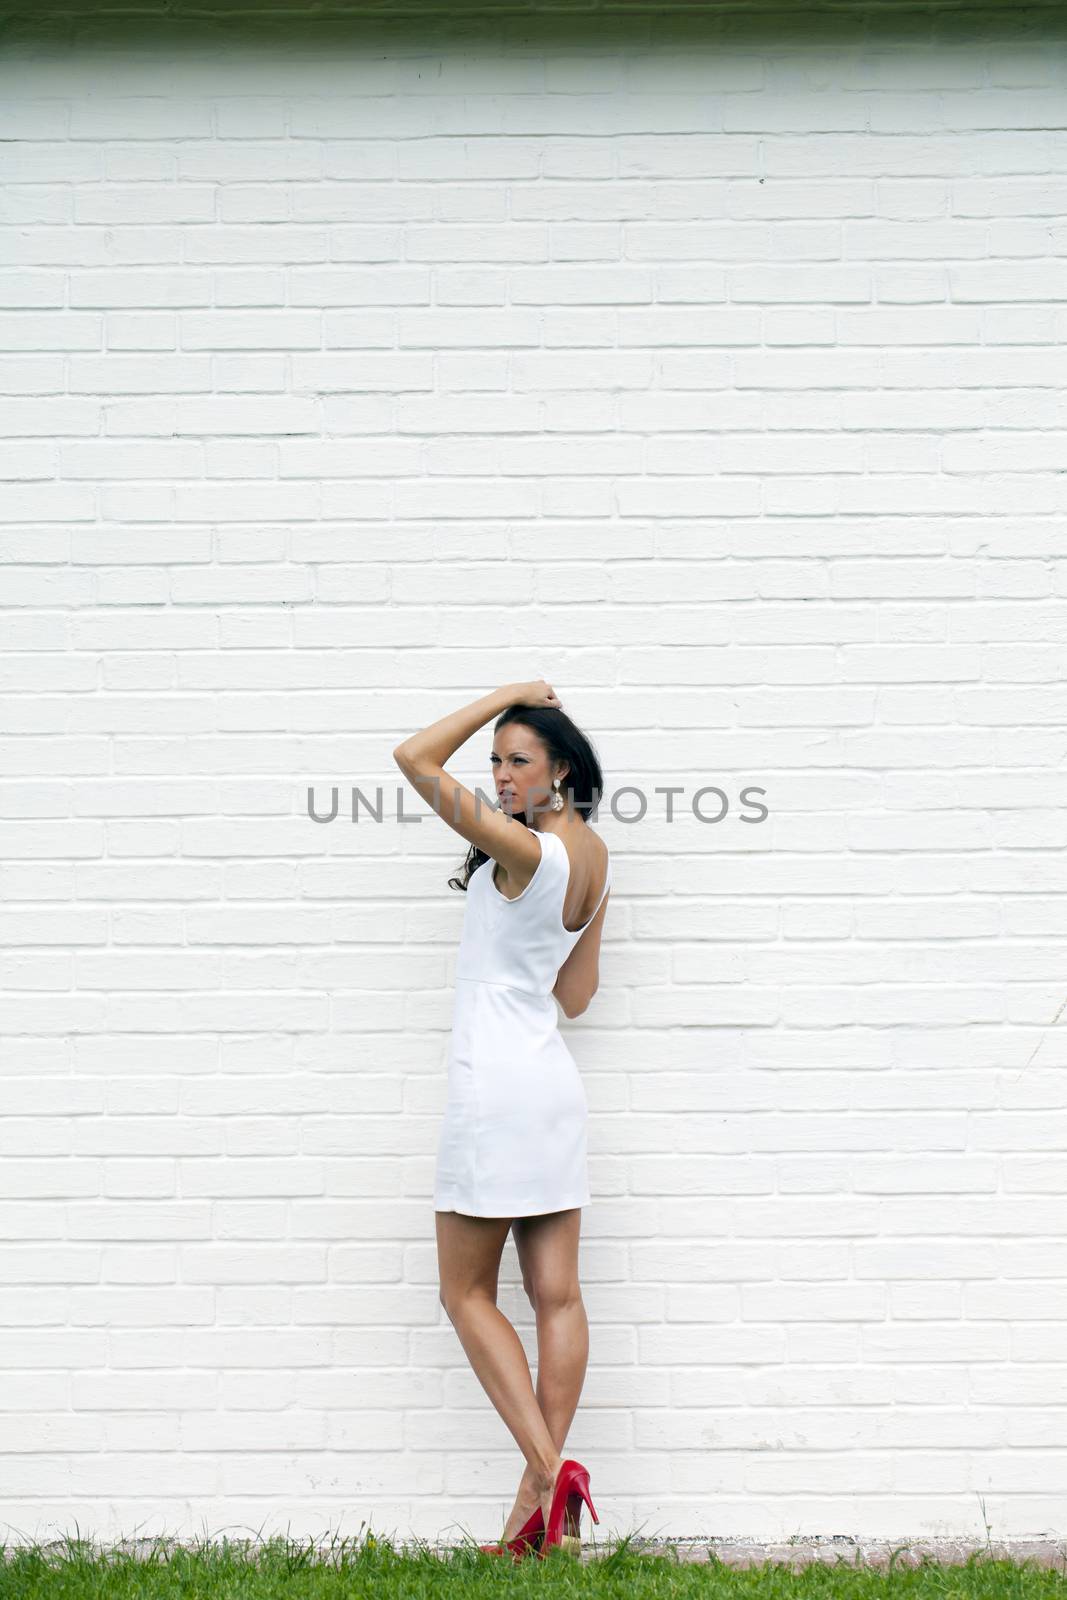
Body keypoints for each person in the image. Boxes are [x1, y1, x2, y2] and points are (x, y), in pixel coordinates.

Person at [392, 680, 610, 1558]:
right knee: (555, 1295)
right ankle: (535, 1522)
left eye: (519, 758)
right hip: (550, 1086)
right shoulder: (591, 855)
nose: (501, 773)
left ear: (560, 767)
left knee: (464, 1291)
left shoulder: (522, 850)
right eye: (495, 760)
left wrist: (506, 695)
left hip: (495, 1089)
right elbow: (578, 996)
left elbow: (411, 758)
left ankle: (549, 1466)